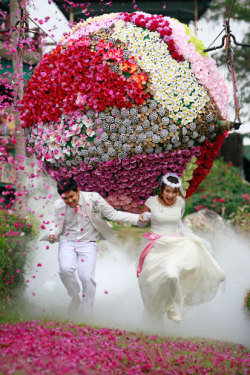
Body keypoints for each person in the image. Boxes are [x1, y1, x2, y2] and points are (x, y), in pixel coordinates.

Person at [48, 177, 145, 317]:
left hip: (88, 243)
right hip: (67, 242)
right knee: (65, 269)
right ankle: (75, 296)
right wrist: (53, 233)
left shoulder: (94, 199)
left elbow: (113, 214)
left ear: (78, 191)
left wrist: (137, 219)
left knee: (86, 277)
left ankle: (86, 314)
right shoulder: (58, 205)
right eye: (65, 198)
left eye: (71, 196)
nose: (69, 201)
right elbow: (56, 224)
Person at [137, 173, 225, 323]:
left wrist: (189, 235)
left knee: (171, 275)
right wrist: (143, 218)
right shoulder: (151, 202)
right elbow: (140, 224)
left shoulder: (180, 203)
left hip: (175, 246)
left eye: (174, 192)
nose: (170, 195)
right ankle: (155, 320)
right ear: (161, 190)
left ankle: (171, 306)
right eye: (167, 191)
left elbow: (178, 224)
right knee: (152, 285)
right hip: (157, 247)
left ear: (178, 192)